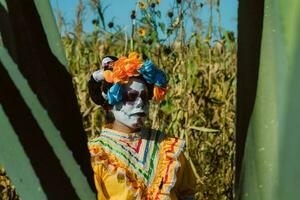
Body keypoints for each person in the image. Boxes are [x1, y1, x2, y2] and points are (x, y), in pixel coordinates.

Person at [88, 53, 196, 200]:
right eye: (131, 97)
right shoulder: (97, 155)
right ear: (109, 104)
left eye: (144, 97)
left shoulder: (167, 148)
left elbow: (187, 195)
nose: (140, 103)